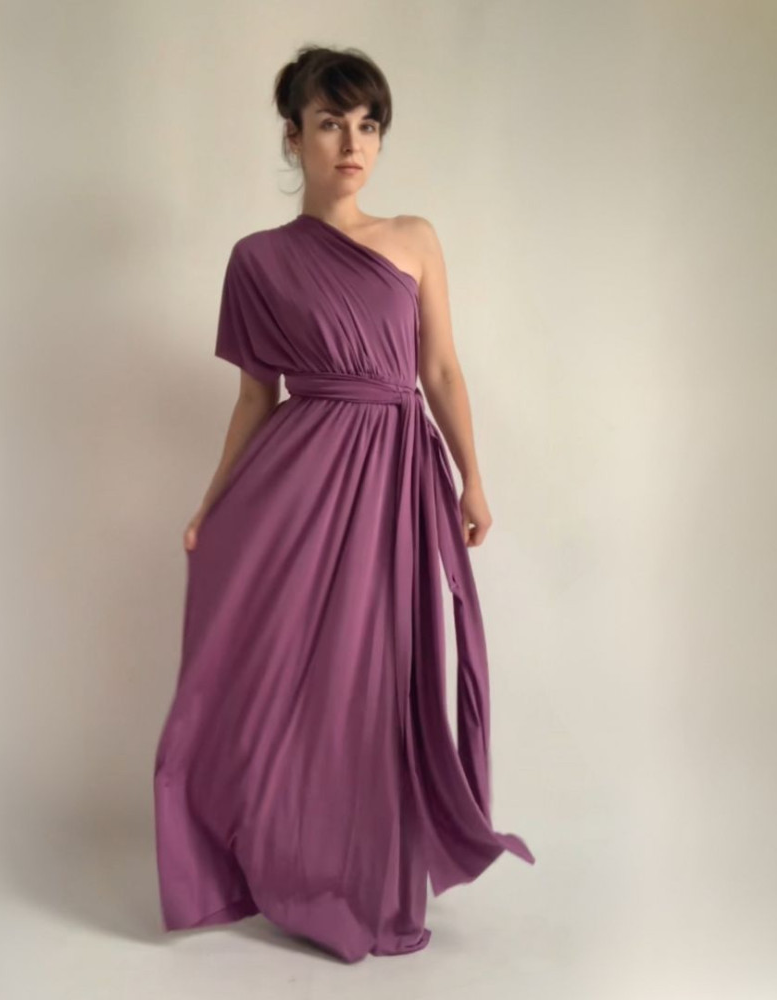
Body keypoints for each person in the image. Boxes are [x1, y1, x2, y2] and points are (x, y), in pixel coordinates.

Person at [153, 44, 534, 964]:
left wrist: (473, 476)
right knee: (291, 677)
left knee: (379, 679)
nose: (353, 143)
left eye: (368, 125)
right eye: (330, 124)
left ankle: (372, 881)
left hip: (397, 480)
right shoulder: (257, 260)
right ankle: (271, 857)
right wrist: (211, 506)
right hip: (299, 491)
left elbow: (440, 370)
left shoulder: (415, 238)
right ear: (294, 138)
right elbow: (256, 399)